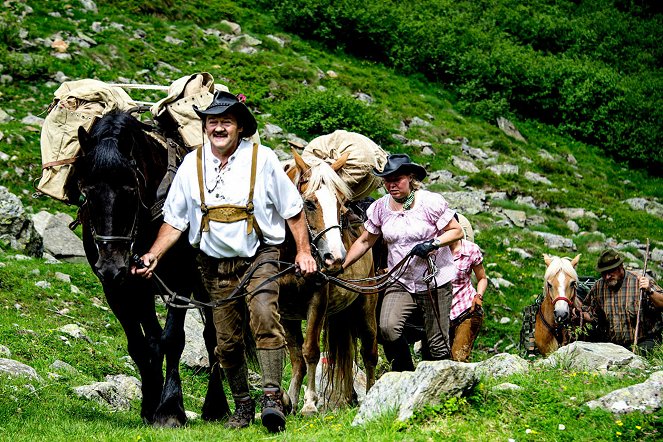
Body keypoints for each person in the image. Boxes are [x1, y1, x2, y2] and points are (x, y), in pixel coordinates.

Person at [132, 91, 317, 433]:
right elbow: (174, 221)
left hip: (260, 256)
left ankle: (272, 399)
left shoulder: (262, 160)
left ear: (240, 127)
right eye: (212, 121)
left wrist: (304, 251)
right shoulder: (192, 164)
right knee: (227, 341)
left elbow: (293, 211)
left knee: (263, 315)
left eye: (225, 121)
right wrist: (153, 254)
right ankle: (243, 406)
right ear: (204, 127)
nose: (218, 127)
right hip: (214, 264)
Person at [341, 154, 464, 371]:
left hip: (434, 280)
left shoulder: (429, 202)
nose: (391, 185)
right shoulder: (380, 208)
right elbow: (365, 241)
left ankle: (443, 386)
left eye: (397, 179)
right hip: (401, 281)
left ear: (410, 178)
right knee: (387, 328)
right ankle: (406, 373)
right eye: (387, 180)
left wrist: (433, 244)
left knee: (437, 343)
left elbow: (456, 231)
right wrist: (342, 266)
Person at [583, 248, 663, 352]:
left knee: (639, 356)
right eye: (603, 273)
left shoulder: (639, 281)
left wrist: (649, 290)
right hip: (613, 346)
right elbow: (591, 313)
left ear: (621, 267)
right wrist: (580, 314)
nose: (607, 277)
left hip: (643, 342)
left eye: (610, 271)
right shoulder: (598, 287)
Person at [447, 215, 487, 362]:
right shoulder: (435, 250)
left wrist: (479, 296)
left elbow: (482, 278)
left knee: (458, 357)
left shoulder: (470, 250)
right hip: (441, 315)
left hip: (466, 310)